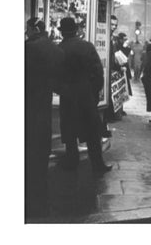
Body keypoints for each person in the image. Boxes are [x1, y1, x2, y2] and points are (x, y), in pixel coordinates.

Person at [58, 17, 112, 175]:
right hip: (85, 94)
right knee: (92, 132)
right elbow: (98, 72)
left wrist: (62, 90)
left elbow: (55, 75)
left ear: (62, 33)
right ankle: (97, 164)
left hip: (68, 96)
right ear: (76, 30)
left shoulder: (60, 49)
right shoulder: (87, 46)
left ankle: (71, 161)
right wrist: (93, 93)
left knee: (69, 131)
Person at [25, 18, 64, 219]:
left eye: (27, 29)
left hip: (28, 105)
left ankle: (31, 203)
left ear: (34, 29)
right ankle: (41, 202)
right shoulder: (54, 49)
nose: (26, 33)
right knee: (39, 155)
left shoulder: (29, 49)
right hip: (44, 108)